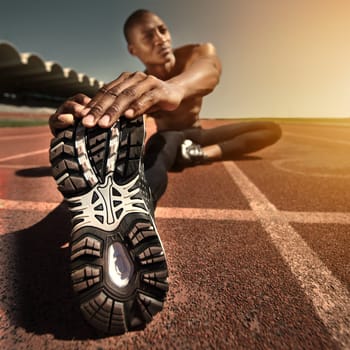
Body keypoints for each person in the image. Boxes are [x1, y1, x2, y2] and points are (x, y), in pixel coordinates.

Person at [49, 9, 281, 335]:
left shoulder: (196, 54)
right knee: (157, 156)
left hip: (199, 136)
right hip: (168, 140)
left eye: (162, 29)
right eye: (148, 36)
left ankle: (198, 154)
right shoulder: (132, 87)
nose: (160, 38)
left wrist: (174, 89)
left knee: (269, 129)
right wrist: (78, 119)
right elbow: (103, 112)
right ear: (133, 50)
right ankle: (139, 205)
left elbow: (209, 70)